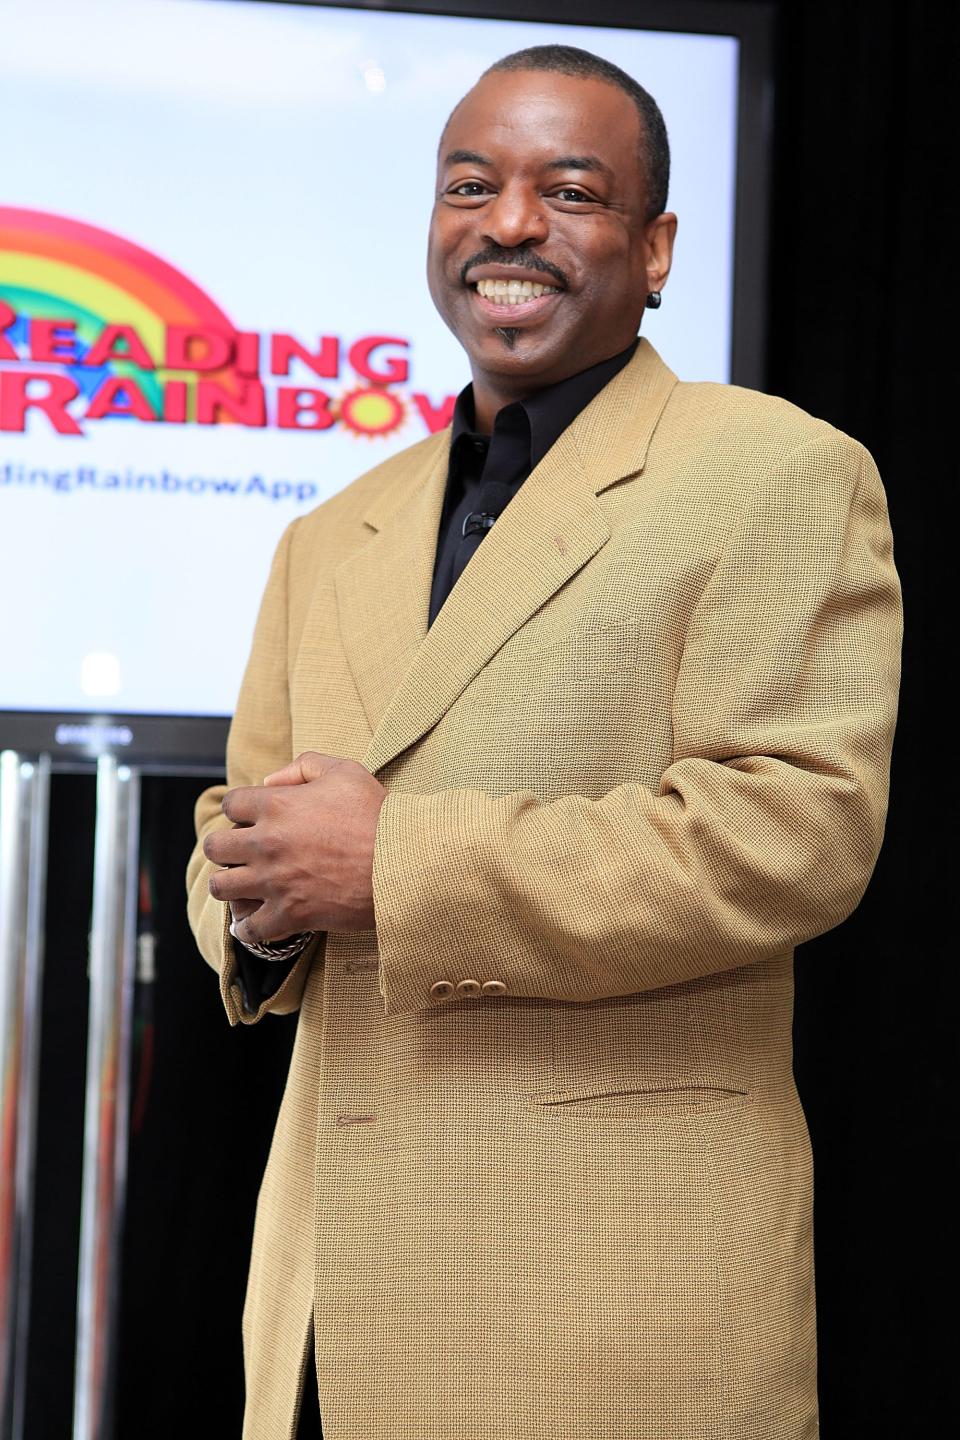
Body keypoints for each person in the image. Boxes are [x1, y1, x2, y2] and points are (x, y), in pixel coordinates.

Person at [186, 45, 902, 1440]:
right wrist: (258, 909)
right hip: (333, 1312)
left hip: (614, 1305)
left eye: (569, 191)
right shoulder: (329, 533)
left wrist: (398, 861)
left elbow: (794, 834)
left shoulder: (776, 468)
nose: (509, 224)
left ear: (657, 248)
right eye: (472, 185)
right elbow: (246, 821)